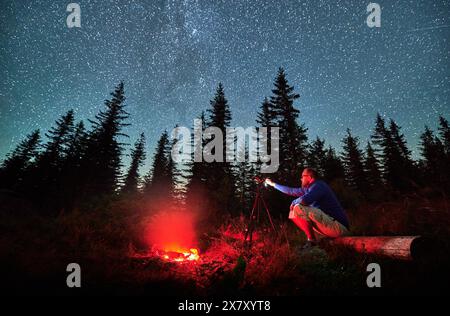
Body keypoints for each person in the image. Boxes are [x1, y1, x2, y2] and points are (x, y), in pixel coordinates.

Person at [265, 168, 350, 249]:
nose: (300, 179)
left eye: (302, 176)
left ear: (309, 177)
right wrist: (272, 184)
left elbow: (304, 200)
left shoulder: (319, 185)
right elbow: (290, 191)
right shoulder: (308, 189)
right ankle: (316, 238)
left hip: (339, 228)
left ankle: (312, 241)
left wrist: (294, 202)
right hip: (330, 227)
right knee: (292, 213)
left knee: (298, 207)